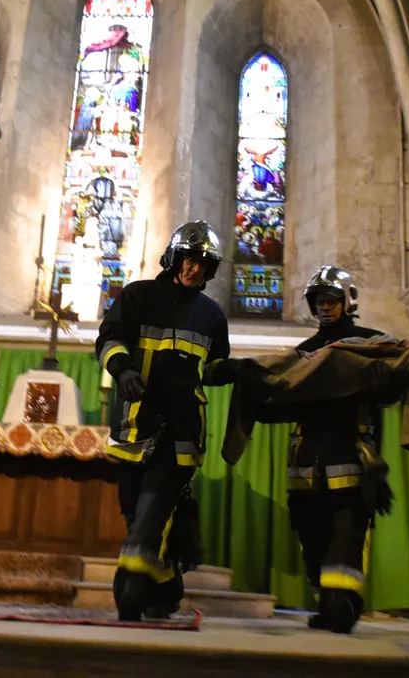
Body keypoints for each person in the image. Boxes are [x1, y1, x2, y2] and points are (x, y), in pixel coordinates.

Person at [95, 220, 236, 622]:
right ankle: (167, 585)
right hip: (135, 424)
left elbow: (213, 367)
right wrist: (122, 370)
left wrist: (238, 372)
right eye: (190, 260)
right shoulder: (138, 296)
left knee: (156, 506)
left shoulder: (212, 316)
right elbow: (108, 339)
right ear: (175, 258)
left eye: (203, 264)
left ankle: (131, 586)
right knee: (134, 511)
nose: (195, 269)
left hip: (183, 429)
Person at [279, 265, 394, 633]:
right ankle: (327, 600)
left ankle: (342, 604)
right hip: (306, 460)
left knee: (346, 535)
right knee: (312, 535)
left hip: (350, 453)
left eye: (331, 300)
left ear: (348, 302)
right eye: (318, 302)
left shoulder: (372, 342)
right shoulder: (303, 352)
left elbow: (398, 387)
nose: (325, 308)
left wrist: (382, 383)